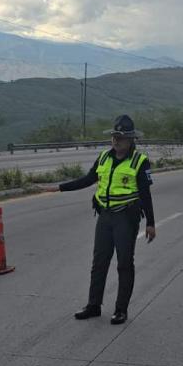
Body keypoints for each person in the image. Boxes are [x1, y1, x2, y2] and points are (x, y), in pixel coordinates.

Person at [46, 115, 156, 325]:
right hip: (104, 216)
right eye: (114, 137)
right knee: (99, 262)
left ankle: (120, 310)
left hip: (126, 216)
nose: (116, 141)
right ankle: (93, 305)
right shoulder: (104, 157)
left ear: (131, 139)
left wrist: (150, 223)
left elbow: (145, 194)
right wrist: (60, 187)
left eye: (121, 138)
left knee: (124, 263)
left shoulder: (139, 161)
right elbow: (88, 179)